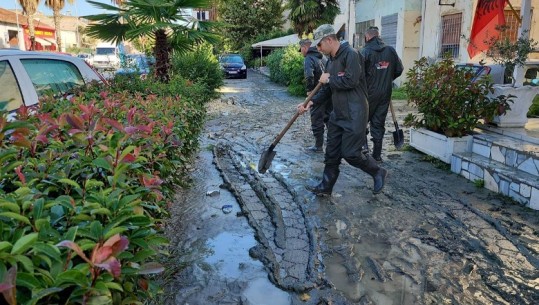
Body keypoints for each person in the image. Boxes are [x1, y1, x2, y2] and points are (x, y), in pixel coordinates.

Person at [297, 24, 388, 195]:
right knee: (331, 152)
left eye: (320, 44)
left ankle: (377, 171)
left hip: (355, 113)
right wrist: (311, 102)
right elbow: (327, 89)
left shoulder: (352, 55)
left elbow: (351, 81)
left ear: (329, 40)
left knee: (351, 153)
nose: (318, 48)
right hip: (337, 114)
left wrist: (329, 80)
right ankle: (325, 187)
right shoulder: (331, 60)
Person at [361, 26, 404, 162]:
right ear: (378, 35)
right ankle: (377, 155)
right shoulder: (390, 50)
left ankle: (364, 147)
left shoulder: (365, 52)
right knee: (378, 122)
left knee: (361, 120)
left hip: (368, 93)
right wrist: (387, 78)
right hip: (386, 92)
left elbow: (359, 74)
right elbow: (399, 69)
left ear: (367, 37)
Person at [299, 38, 332, 153]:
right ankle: (333, 144)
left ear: (305, 47)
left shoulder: (309, 58)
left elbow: (309, 75)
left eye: (301, 50)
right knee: (328, 117)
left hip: (317, 93)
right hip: (328, 92)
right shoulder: (322, 56)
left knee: (316, 119)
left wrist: (309, 91)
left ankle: (318, 146)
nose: (301, 52)